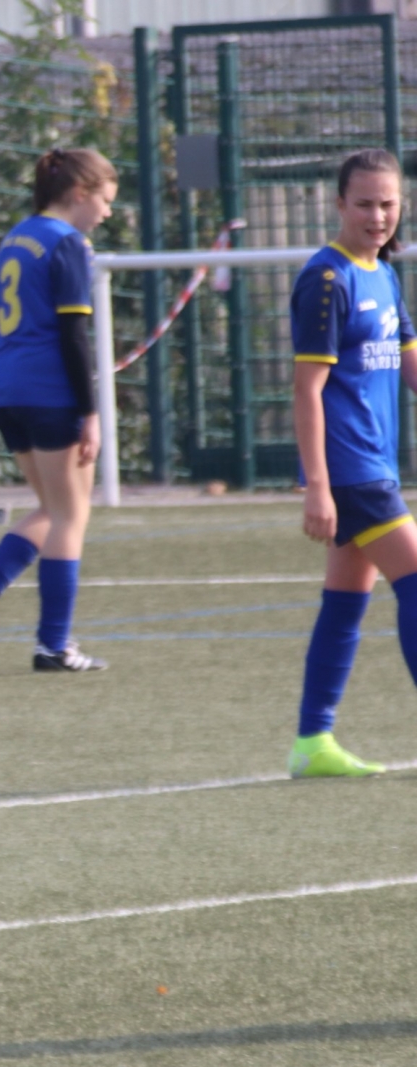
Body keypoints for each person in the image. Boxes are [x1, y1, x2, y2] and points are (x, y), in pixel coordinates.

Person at [0, 147, 117, 673]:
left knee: (51, 508)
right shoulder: (69, 243)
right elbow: (73, 334)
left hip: (6, 389)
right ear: (80, 193)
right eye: (105, 201)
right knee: (70, 515)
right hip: (50, 391)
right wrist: (91, 413)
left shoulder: (17, 238)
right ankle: (53, 645)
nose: (108, 213)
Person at [285, 148, 417, 778]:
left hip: (374, 464)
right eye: (364, 204)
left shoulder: (383, 272)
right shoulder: (327, 279)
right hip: (350, 468)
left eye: (388, 203)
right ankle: (312, 740)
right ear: (339, 204)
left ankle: (313, 743)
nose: (377, 216)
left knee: (345, 600)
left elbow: (409, 360)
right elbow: (306, 391)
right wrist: (317, 486)